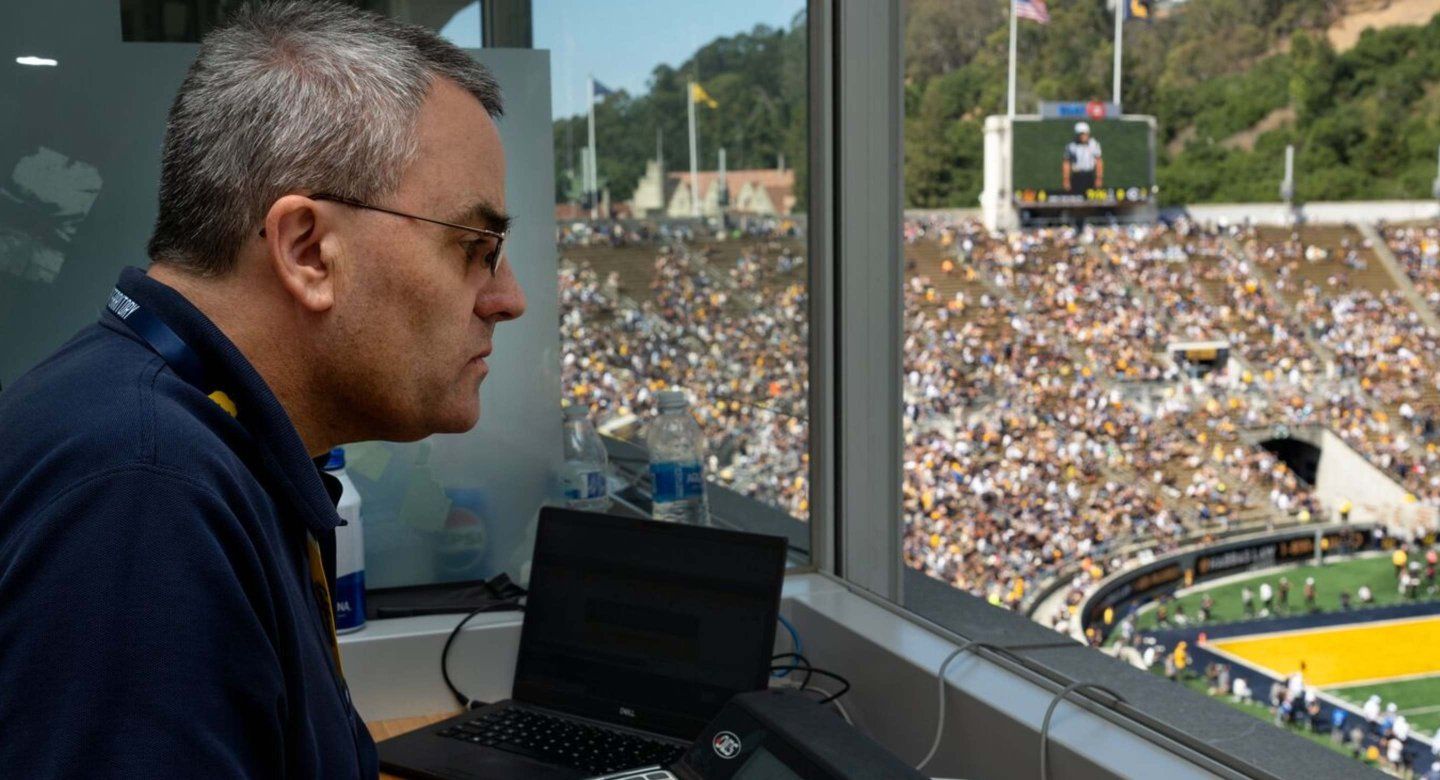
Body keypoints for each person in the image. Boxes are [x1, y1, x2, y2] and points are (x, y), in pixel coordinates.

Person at [0, 4, 524, 777]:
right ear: (308, 250)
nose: (508, 297)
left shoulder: (187, 436)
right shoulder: (145, 495)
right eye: (475, 248)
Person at [1061, 121, 1104, 195]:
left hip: (1089, 176)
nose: (1083, 136)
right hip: (1076, 177)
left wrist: (1099, 178)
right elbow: (1066, 163)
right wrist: (1066, 179)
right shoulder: (1071, 146)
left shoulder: (1094, 144)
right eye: (1081, 134)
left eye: (1084, 134)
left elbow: (1098, 161)